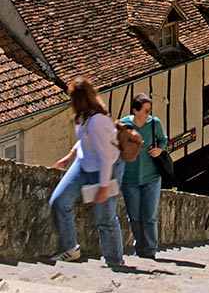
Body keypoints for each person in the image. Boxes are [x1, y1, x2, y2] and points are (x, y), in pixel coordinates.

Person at [49, 77, 125, 267]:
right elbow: (85, 138)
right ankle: (70, 249)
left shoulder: (97, 121)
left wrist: (104, 187)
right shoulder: (85, 116)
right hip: (84, 163)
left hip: (106, 168)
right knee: (59, 201)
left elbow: (107, 157)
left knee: (104, 219)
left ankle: (115, 262)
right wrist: (70, 156)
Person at [120, 93, 167, 259]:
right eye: (145, 110)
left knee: (149, 217)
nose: (148, 114)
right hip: (129, 179)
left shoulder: (154, 123)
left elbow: (163, 140)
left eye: (149, 110)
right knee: (134, 217)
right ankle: (139, 247)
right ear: (135, 110)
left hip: (151, 176)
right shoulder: (124, 125)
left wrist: (160, 149)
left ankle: (150, 251)